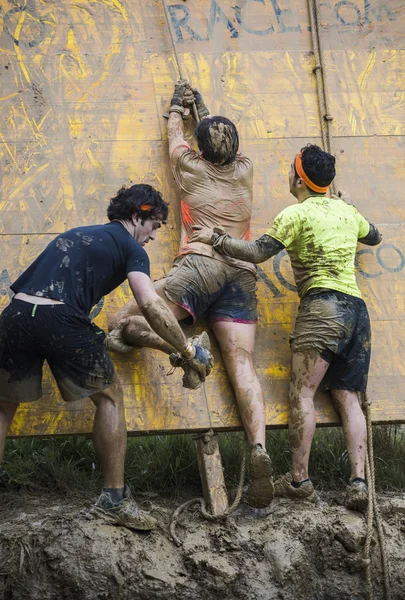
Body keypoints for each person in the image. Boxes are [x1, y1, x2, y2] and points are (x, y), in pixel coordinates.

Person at [0, 184, 213, 530]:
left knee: (2, 407)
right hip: (61, 319)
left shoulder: (77, 234)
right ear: (136, 216)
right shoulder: (131, 248)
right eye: (155, 225)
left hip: (17, 315)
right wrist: (186, 349)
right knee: (111, 397)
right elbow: (151, 305)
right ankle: (113, 500)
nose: (154, 236)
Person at [106, 80, 274, 509]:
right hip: (241, 274)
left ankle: (186, 352)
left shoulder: (190, 167)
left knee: (123, 322)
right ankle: (258, 448)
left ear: (202, 150)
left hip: (199, 266)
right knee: (242, 366)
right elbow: (217, 140)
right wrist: (202, 106)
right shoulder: (246, 168)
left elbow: (176, 137)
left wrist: (176, 107)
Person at [189, 143, 382, 511]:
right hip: (357, 313)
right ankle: (358, 482)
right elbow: (374, 236)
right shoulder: (346, 212)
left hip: (322, 310)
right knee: (349, 399)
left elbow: (258, 252)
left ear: (297, 178)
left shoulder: (295, 215)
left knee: (303, 394)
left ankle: (299, 480)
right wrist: (350, 207)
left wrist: (217, 238)